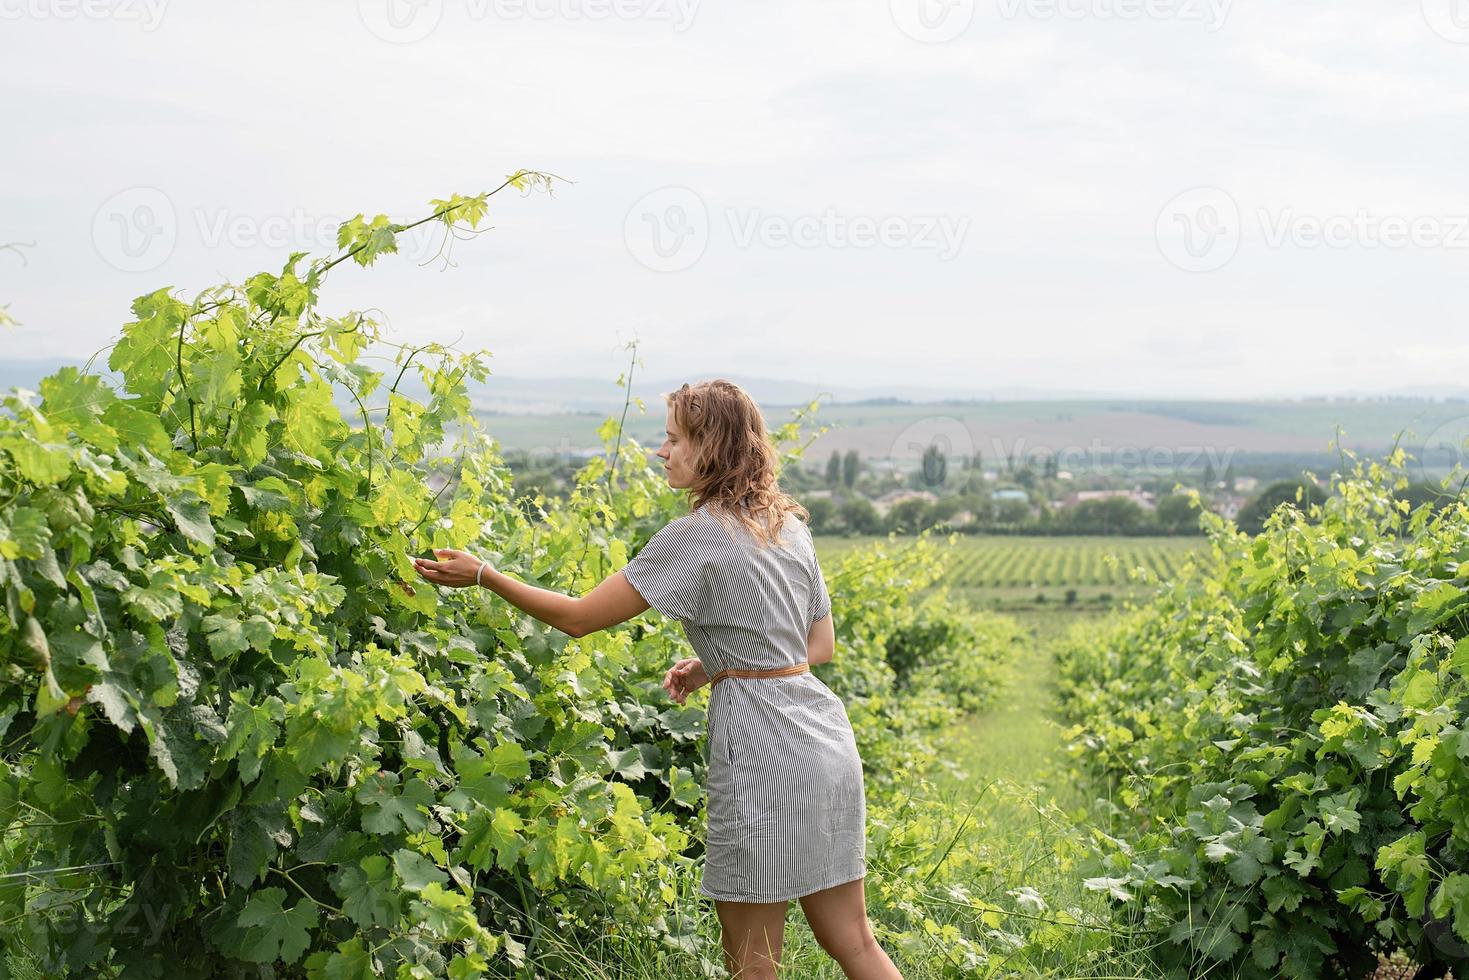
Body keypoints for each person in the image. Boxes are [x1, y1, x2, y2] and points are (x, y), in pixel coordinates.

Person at [411, 379, 902, 980]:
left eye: (673, 439)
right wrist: (716, 662)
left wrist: (486, 574)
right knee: (853, 940)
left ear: (711, 448)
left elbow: (579, 618)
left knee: (752, 962)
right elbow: (818, 645)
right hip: (825, 740)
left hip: (762, 749)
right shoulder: (788, 526)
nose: (660, 451)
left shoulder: (695, 534)